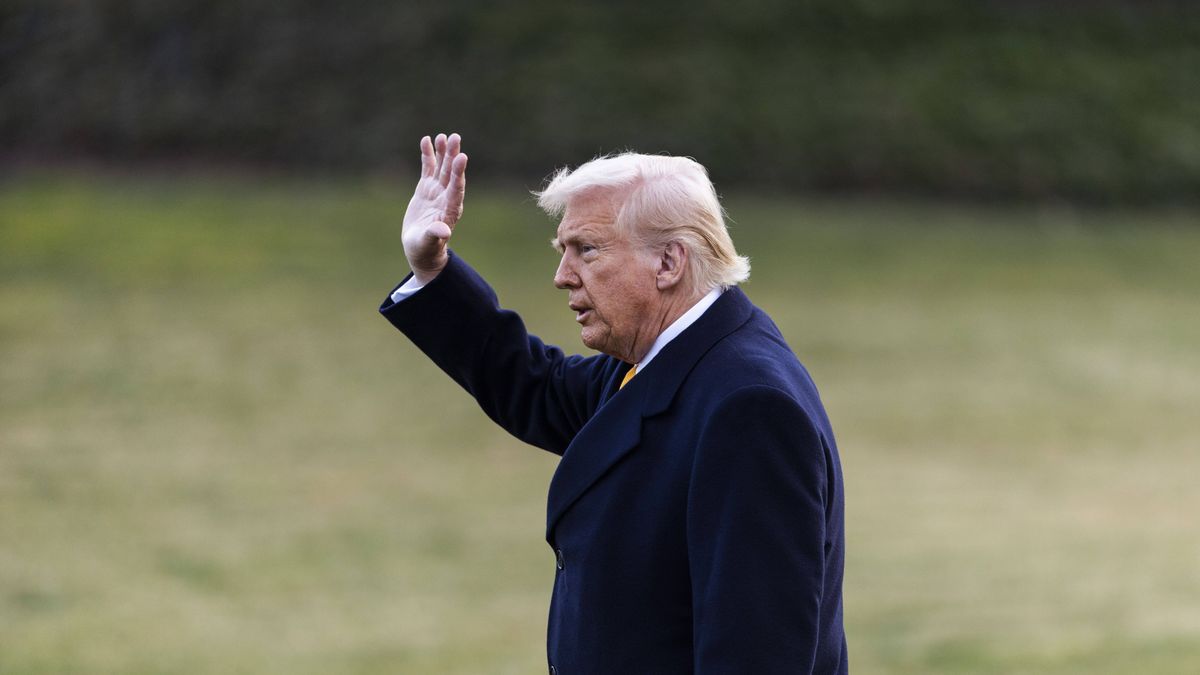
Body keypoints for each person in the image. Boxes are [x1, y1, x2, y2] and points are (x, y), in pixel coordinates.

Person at [380, 132, 847, 674]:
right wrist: (433, 270)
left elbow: (755, 654)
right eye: (563, 252)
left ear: (668, 262)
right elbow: (538, 387)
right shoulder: (667, 357)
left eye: (587, 250)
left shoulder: (749, 407)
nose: (562, 277)